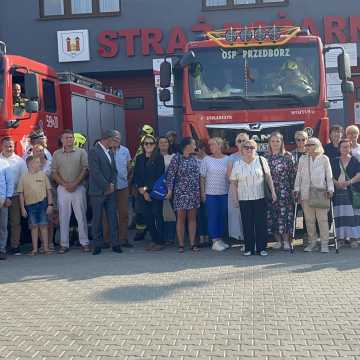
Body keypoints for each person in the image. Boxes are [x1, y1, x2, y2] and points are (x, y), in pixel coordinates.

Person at [230, 140, 277, 256]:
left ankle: (261, 248)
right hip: (244, 198)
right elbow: (233, 183)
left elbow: (268, 177)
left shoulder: (261, 160)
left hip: (260, 197)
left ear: (256, 149)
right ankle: (249, 248)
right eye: (246, 147)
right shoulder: (237, 164)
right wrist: (235, 199)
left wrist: (273, 192)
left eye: (252, 147)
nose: (249, 149)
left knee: (261, 223)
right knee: (247, 224)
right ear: (242, 150)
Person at [51, 130, 90, 254]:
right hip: (63, 188)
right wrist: (64, 184)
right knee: (63, 217)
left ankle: (85, 243)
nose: (69, 139)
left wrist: (75, 183)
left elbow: (85, 169)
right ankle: (64, 244)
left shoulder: (81, 152)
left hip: (78, 188)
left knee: (81, 216)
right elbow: (54, 172)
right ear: (62, 140)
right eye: (66, 138)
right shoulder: (56, 154)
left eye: (71, 137)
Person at [294, 137, 334, 253]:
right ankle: (312, 243)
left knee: (322, 219)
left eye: (310, 145)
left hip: (320, 192)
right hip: (305, 192)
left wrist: (330, 189)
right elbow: (299, 175)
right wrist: (296, 189)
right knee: (309, 220)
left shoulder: (324, 158)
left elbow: (329, 175)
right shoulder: (302, 158)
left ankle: (324, 244)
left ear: (317, 145)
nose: (307, 147)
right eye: (307, 145)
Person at [89, 130, 122, 255]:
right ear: (107, 139)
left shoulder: (110, 151)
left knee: (113, 217)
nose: (115, 142)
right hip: (98, 191)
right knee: (97, 219)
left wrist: (112, 184)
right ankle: (97, 245)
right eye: (113, 140)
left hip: (110, 191)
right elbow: (95, 172)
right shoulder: (93, 151)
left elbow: (114, 171)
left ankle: (115, 244)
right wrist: (107, 186)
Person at [166, 137, 200, 252]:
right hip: (180, 192)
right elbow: (170, 176)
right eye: (194, 143)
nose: (195, 146)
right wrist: (170, 190)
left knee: (192, 218)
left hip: (193, 192)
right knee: (181, 218)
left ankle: (192, 244)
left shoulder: (194, 158)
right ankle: (181, 244)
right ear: (187, 146)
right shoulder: (176, 158)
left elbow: (198, 176)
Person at [134, 135, 165, 251]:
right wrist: (141, 190)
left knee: (157, 217)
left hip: (155, 193)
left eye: (151, 143)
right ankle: (154, 239)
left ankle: (160, 241)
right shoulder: (140, 158)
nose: (148, 145)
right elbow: (137, 176)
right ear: (143, 145)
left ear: (155, 145)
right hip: (142, 193)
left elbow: (159, 176)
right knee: (148, 218)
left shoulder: (158, 158)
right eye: (146, 143)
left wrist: (146, 190)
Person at [265, 132, 295, 250]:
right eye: (272, 141)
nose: (275, 143)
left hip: (285, 190)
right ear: (269, 143)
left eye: (277, 141)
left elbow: (293, 174)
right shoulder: (265, 157)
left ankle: (287, 241)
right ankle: (278, 241)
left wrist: (294, 190)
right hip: (270, 190)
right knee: (272, 215)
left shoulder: (288, 156)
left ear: (282, 142)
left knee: (285, 216)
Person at [18, 156, 53, 256]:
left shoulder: (43, 175)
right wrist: (22, 208)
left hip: (42, 204)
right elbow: (21, 193)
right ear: (30, 164)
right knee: (33, 226)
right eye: (37, 162)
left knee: (43, 225)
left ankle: (46, 248)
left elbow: (49, 191)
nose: (40, 164)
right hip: (30, 206)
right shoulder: (23, 177)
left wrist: (50, 204)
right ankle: (34, 249)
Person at [200, 137, 229, 251]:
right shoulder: (206, 160)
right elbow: (202, 178)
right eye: (210, 145)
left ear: (220, 145)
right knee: (212, 216)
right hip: (210, 193)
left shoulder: (227, 159)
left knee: (222, 216)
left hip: (224, 192)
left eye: (213, 145)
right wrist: (203, 193)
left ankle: (220, 239)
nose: (211, 147)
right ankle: (214, 241)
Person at [0, 137, 27, 255]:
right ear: (2, 146)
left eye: (11, 146)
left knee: (15, 221)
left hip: (15, 195)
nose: (9, 148)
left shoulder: (19, 161)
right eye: (6, 146)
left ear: (14, 147)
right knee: (2, 224)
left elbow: (24, 178)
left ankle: (15, 246)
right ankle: (3, 247)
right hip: (1, 196)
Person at [331, 139, 360, 247]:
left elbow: (359, 175)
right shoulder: (334, 161)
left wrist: (349, 182)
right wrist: (336, 183)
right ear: (339, 148)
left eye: (347, 147)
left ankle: (353, 239)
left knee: (352, 216)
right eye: (343, 147)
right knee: (340, 216)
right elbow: (329, 175)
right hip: (338, 193)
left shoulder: (354, 160)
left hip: (351, 192)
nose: (345, 149)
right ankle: (340, 239)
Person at [227, 132, 248, 242]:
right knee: (237, 215)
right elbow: (230, 176)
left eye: (244, 140)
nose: (242, 143)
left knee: (249, 215)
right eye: (239, 141)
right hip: (236, 189)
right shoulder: (232, 158)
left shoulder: (255, 156)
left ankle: (249, 238)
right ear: (236, 144)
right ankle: (242, 239)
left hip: (250, 190)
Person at [113, 132, 132, 248]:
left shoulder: (125, 150)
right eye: (114, 138)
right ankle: (108, 240)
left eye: (118, 138)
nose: (116, 140)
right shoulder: (107, 150)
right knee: (108, 215)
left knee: (124, 214)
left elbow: (129, 166)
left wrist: (128, 180)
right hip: (109, 187)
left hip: (123, 186)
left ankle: (123, 239)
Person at [158, 136, 176, 244]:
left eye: (166, 142)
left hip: (171, 188)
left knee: (171, 213)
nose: (164, 144)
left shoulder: (173, 157)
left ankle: (170, 237)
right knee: (160, 213)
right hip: (158, 188)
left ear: (169, 144)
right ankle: (161, 236)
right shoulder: (154, 156)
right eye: (161, 142)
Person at [194, 141, 209, 247]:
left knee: (207, 214)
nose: (195, 152)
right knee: (198, 215)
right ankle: (201, 237)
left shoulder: (208, 159)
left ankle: (208, 236)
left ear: (202, 149)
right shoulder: (193, 160)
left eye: (197, 149)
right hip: (195, 191)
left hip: (208, 190)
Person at [0, 158, 15, 260]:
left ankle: (2, 249)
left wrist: (9, 197)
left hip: (2, 198)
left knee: (2, 226)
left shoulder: (4, 163)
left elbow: (10, 181)